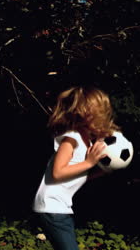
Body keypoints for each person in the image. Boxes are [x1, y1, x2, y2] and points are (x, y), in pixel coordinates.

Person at [33, 85, 119, 250]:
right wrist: (89, 163)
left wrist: (99, 172)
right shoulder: (71, 139)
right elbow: (58, 173)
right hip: (52, 207)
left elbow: (73, 176)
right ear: (85, 113)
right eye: (99, 113)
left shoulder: (86, 139)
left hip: (59, 207)